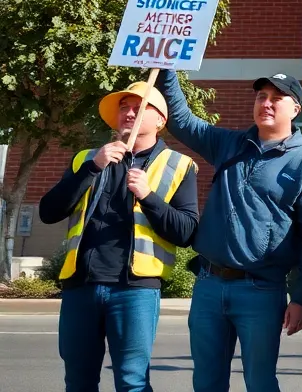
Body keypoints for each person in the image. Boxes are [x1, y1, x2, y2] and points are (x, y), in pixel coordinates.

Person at [158, 69, 302, 392]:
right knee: (206, 381)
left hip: (261, 291)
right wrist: (166, 68)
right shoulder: (228, 144)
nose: (267, 104)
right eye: (261, 97)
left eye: (277, 99)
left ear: (296, 109)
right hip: (208, 285)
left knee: (260, 382)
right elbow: (179, 119)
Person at [40, 80, 199, 392]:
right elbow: (49, 211)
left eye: (139, 107)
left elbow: (187, 232)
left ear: (161, 120)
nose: (129, 112)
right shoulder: (86, 158)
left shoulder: (179, 165)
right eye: (124, 107)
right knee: (78, 381)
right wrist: (91, 168)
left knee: (132, 382)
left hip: (135, 290)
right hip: (80, 286)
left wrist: (149, 196)